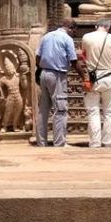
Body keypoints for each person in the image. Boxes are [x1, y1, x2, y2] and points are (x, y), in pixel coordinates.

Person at [35, 18, 86, 147]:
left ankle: (41, 142)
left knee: (43, 110)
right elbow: (74, 61)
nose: (74, 35)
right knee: (61, 109)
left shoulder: (46, 36)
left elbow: (37, 57)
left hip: (44, 73)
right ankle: (59, 142)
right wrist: (84, 77)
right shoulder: (67, 39)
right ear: (70, 28)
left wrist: (44, 66)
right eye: (74, 32)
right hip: (57, 75)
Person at [81, 17, 111, 147]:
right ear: (108, 27)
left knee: (93, 111)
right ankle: (108, 141)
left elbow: (84, 54)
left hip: (93, 78)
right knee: (109, 111)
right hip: (109, 76)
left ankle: (95, 142)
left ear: (96, 26)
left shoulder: (86, 37)